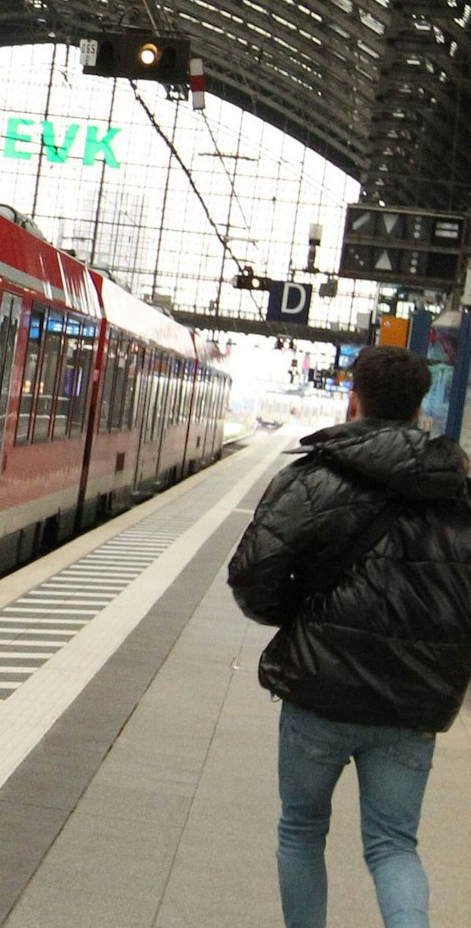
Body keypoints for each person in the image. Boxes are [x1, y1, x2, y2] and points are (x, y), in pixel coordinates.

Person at [228, 344, 471, 928]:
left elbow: (252, 573)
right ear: (418, 410)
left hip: (319, 688)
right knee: (393, 845)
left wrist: (297, 617)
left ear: (354, 399)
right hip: (412, 702)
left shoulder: (312, 476)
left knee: (302, 829)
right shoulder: (458, 491)